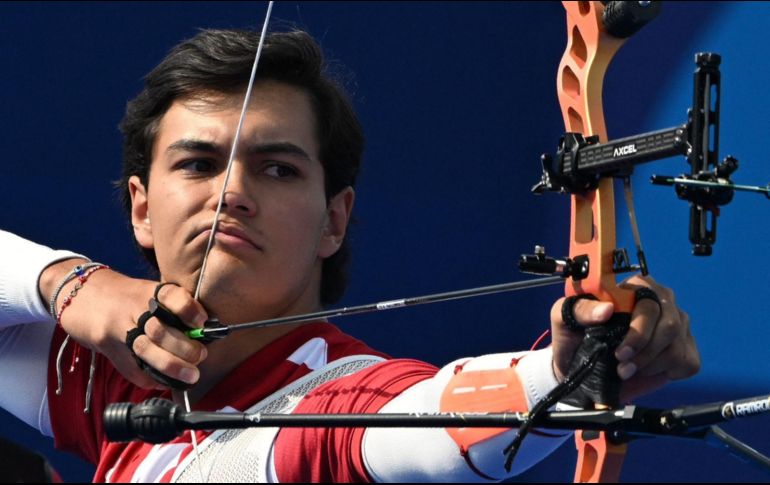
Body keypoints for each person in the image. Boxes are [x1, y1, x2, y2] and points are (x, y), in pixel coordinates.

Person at [0, 29, 700, 482]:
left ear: (333, 220)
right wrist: (72, 284)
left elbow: (426, 424)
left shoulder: (339, 398)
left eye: (278, 169)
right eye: (198, 164)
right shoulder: (120, 378)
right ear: (142, 209)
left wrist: (563, 378)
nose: (232, 193)